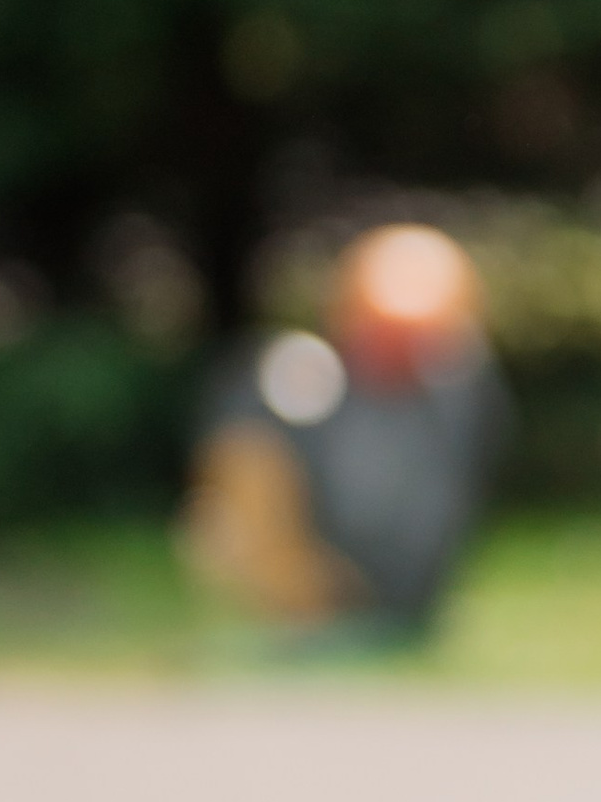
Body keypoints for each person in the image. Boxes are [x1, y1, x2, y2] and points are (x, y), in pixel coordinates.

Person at [181, 223, 508, 638]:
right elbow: (231, 467)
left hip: (403, 593)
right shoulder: (304, 384)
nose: (399, 345)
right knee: (243, 468)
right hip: (320, 576)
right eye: (382, 328)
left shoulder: (457, 399)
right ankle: (304, 614)